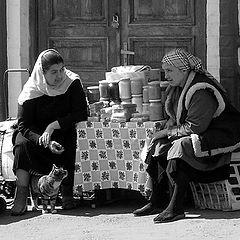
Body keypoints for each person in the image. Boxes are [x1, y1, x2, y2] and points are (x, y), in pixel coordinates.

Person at [133, 48, 240, 223]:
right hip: (198, 132)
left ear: (184, 70)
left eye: (169, 71)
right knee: (158, 144)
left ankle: (176, 207)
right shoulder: (178, 87)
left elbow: (196, 127)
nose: (165, 75)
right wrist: (166, 131)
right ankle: (158, 200)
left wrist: (169, 132)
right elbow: (177, 118)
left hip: (221, 134)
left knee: (180, 146)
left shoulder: (201, 90)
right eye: (164, 71)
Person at [11, 49, 88, 215]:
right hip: (36, 135)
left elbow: (80, 113)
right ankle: (21, 195)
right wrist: (43, 139)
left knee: (70, 140)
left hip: (62, 129)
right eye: (53, 72)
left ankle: (67, 192)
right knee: (21, 145)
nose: (60, 76)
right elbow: (24, 125)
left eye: (62, 70)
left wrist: (53, 126)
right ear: (42, 72)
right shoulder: (30, 91)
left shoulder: (71, 82)